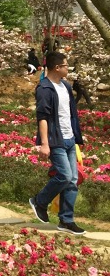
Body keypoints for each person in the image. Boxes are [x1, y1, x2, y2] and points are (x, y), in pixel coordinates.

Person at [29, 52, 86, 235]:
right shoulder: (44, 89)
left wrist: (76, 136)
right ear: (57, 68)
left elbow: (70, 114)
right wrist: (44, 144)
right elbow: (43, 118)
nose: (68, 68)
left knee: (73, 179)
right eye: (66, 65)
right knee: (65, 175)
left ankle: (66, 220)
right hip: (55, 140)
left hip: (69, 139)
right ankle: (39, 201)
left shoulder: (66, 86)